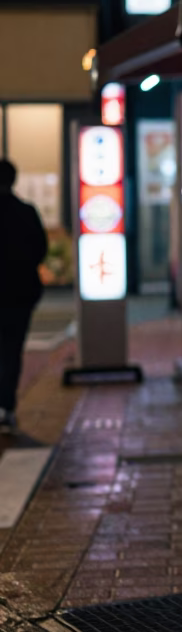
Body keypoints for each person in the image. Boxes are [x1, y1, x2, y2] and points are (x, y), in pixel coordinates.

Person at [0, 159, 48, 430]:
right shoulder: (26, 212)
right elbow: (40, 249)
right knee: (12, 350)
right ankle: (6, 405)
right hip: (20, 294)